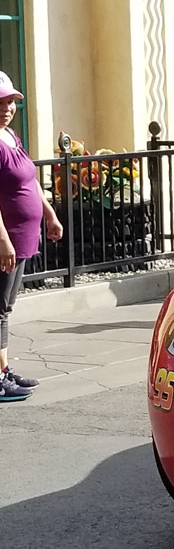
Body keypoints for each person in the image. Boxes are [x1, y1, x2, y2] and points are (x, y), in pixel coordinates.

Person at [0, 72, 63, 400]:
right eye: (1, 102)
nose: (7, 108)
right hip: (6, 238)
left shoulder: (11, 136)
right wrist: (3, 240)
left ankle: (3, 369)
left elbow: (30, 181)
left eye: (10, 101)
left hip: (23, 235)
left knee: (5, 307)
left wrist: (49, 214)